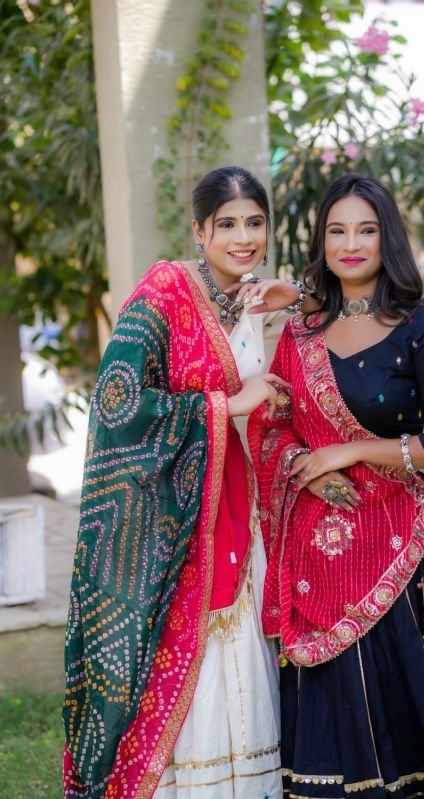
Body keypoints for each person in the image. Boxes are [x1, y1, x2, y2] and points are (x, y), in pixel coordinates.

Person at [248, 174, 424, 799]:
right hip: (317, 559)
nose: (351, 244)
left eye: (366, 230)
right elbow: (274, 427)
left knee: (413, 724)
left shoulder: (418, 327)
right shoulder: (300, 334)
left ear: (388, 239)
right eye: (337, 231)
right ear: (322, 241)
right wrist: (308, 468)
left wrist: (350, 450)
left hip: (402, 552)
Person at [63, 166, 307, 799]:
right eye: (227, 225)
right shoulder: (163, 292)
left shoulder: (250, 298)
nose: (244, 238)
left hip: (239, 506)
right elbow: (117, 404)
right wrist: (227, 405)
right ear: (199, 231)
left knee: (240, 649)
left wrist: (295, 298)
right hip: (172, 519)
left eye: (255, 223)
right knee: (186, 655)